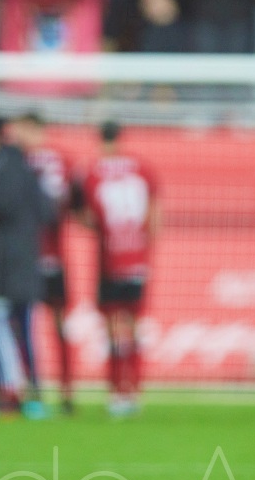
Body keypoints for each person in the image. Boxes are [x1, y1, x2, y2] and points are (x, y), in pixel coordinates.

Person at [0, 115, 50, 418]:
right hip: (18, 264)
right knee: (19, 330)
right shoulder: (21, 167)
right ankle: (26, 394)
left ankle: (9, 394)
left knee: (2, 327)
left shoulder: (0, 168)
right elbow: (46, 210)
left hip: (6, 267)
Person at [82, 121, 158, 418]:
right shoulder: (142, 169)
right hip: (138, 260)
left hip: (109, 261)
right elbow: (155, 216)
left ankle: (116, 393)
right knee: (135, 327)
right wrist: (143, 246)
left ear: (100, 139)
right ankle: (135, 391)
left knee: (113, 329)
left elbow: (86, 215)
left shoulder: (91, 171)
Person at [9, 113, 77, 414]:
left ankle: (55, 388)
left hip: (36, 257)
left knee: (36, 324)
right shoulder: (60, 160)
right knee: (36, 324)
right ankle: (48, 389)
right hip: (43, 257)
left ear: (35, 129)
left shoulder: (23, 162)